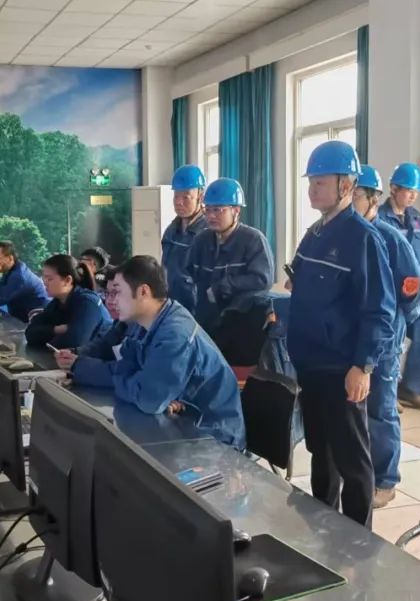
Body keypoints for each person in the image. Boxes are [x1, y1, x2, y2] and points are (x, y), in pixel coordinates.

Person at [286, 141, 396, 528]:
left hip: (342, 368)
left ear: (346, 186)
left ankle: (359, 540)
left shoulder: (363, 239)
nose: (312, 190)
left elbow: (379, 310)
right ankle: (324, 529)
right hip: (311, 365)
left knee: (352, 459)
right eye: (311, 182)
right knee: (321, 452)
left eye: (320, 183)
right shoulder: (315, 234)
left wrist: (362, 366)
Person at [98, 255, 246, 450]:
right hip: (180, 424)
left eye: (117, 292)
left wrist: (131, 382)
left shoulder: (175, 334)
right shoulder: (145, 324)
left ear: (143, 291)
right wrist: (137, 383)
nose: (112, 300)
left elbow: (148, 400)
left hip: (213, 439)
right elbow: (127, 367)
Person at [353, 166, 420, 509]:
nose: (348, 200)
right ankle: (359, 472)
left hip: (383, 341)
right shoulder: (344, 235)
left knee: (380, 409)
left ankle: (385, 480)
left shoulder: (389, 238)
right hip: (352, 340)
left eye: (355, 194)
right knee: (354, 410)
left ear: (373, 198)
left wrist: (396, 327)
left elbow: (412, 289)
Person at [182, 177, 274, 333]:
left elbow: (262, 280)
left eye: (218, 210)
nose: (211, 216)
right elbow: (187, 275)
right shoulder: (201, 240)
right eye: (207, 209)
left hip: (241, 325)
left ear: (236, 210)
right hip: (205, 323)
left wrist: (223, 286)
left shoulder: (253, 240)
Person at [378, 162, 420, 410]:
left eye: (415, 192)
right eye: (408, 190)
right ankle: (388, 394)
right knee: (391, 345)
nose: (412, 196)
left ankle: (411, 388)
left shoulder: (416, 218)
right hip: (392, 294)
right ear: (394, 189)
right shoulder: (380, 218)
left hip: (417, 293)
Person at [54, 266, 140, 386]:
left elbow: (126, 372)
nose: (110, 301)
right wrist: (74, 353)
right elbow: (102, 347)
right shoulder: (121, 323)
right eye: (108, 293)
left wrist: (78, 364)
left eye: (117, 293)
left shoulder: (146, 329)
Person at [25, 254, 111, 349]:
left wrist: (47, 335)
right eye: (44, 278)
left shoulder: (88, 302)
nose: (44, 283)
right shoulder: (57, 302)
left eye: (49, 279)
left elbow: (73, 343)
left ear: (67, 280)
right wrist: (58, 329)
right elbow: (30, 334)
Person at [162, 164, 208, 306]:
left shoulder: (208, 233)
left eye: (186, 197)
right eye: (176, 196)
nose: (178, 202)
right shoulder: (171, 231)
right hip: (172, 305)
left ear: (200, 196)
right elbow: (164, 269)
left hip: (197, 308)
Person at [0, 241, 48, 322]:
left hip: (32, 323)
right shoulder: (11, 270)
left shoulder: (18, 277)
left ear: (10, 258)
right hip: (20, 319)